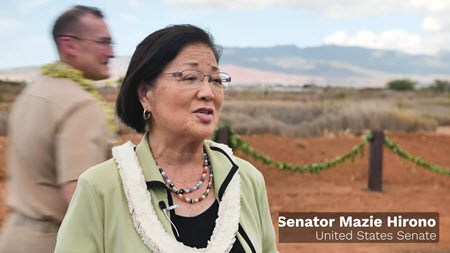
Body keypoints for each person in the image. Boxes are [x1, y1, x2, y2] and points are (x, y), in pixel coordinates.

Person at [54, 24, 277, 253]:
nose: (208, 92)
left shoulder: (246, 180)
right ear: (145, 93)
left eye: (216, 80)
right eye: (190, 77)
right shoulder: (100, 188)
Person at [0, 5, 114, 253]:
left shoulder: (32, 92)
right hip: (55, 244)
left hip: (14, 238)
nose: (112, 52)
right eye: (103, 42)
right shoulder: (81, 104)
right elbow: (81, 200)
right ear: (70, 45)